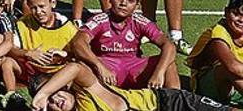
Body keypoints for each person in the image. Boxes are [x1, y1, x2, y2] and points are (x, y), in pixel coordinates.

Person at [69, 0, 180, 90]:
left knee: (168, 64)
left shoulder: (140, 21)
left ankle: (176, 102)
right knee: (80, 66)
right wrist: (99, 66)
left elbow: (169, 45)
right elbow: (78, 42)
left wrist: (159, 72)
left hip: (134, 69)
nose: (123, 3)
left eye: (130, 0)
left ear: (137, 5)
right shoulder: (99, 20)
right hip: (106, 68)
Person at [31, 61, 235, 111]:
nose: (55, 102)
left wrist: (43, 94)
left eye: (53, 94)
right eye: (49, 105)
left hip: (166, 103)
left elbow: (75, 67)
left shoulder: (86, 91)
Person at [0, 0, 77, 104]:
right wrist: (28, 53)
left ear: (53, 3)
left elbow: (79, 56)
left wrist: (63, 55)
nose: (38, 12)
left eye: (42, 6)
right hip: (31, 71)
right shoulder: (22, 24)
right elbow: (10, 49)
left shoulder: (67, 27)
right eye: (33, 8)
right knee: (7, 62)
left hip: (57, 72)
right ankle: (11, 95)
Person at [186, 0, 243, 106]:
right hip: (207, 87)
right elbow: (233, 67)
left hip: (237, 84)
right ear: (226, 12)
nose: (240, 20)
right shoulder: (218, 33)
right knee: (226, 69)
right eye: (235, 14)